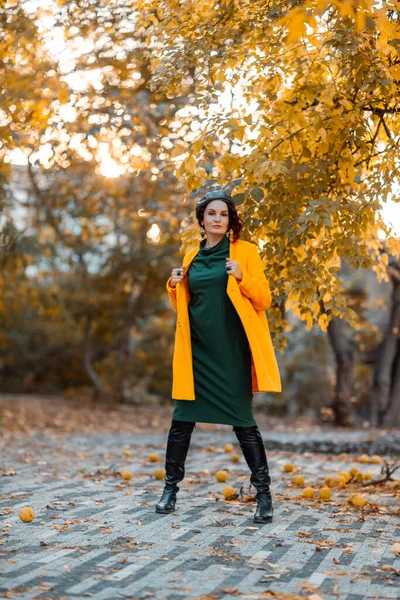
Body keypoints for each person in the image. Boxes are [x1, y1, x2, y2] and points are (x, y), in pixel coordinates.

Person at [155, 189, 281, 523]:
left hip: (231, 353)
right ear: (201, 219)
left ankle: (264, 496)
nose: (217, 219)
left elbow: (264, 299)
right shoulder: (190, 254)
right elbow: (186, 304)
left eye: (224, 214)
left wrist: (242, 276)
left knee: (244, 422)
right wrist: (173, 285)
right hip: (196, 350)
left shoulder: (246, 253)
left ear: (230, 220)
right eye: (211, 213)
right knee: (181, 421)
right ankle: (170, 490)